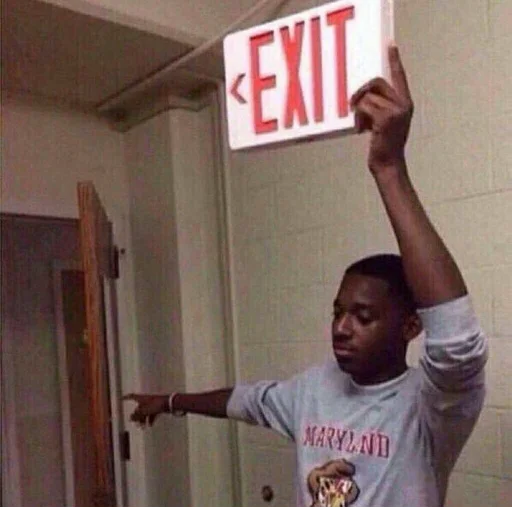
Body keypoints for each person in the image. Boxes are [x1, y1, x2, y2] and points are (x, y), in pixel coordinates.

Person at [124, 45, 487, 507]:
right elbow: (245, 401)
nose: (341, 327)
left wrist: (389, 169)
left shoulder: (431, 407)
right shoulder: (314, 390)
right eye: (338, 312)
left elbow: (457, 344)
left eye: (363, 316)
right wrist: (172, 401)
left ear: (410, 326)